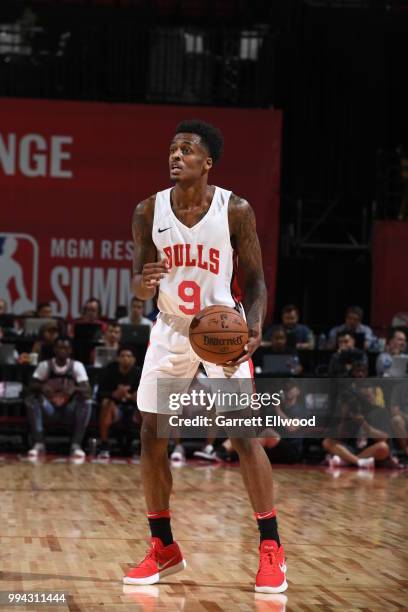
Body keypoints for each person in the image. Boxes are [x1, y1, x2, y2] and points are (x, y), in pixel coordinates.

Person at [123, 119, 287, 593]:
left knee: (243, 437)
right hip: (172, 329)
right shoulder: (146, 211)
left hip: (222, 332)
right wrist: (144, 282)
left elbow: (255, 279)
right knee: (151, 434)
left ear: (207, 162)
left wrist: (254, 324)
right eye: (172, 149)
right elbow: (137, 283)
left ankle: (271, 545)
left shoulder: (235, 209)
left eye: (187, 150)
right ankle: (163, 547)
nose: (176, 156)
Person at [25, 337, 92, 460]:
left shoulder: (76, 366)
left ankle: (76, 445)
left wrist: (74, 389)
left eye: (65, 348)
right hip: (49, 409)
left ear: (70, 350)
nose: (62, 350)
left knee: (86, 401)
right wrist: (42, 386)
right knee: (32, 400)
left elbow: (88, 391)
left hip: (69, 410)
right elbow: (30, 386)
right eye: (59, 347)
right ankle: (39, 443)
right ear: (54, 349)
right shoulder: (45, 365)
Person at [322, 381, 391, 469]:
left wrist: (364, 424)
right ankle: (358, 462)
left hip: (369, 449)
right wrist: (343, 417)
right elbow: (338, 437)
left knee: (383, 447)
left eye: (368, 397)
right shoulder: (351, 410)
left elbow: (384, 438)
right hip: (350, 448)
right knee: (327, 442)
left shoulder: (380, 412)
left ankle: (347, 460)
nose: (366, 401)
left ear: (375, 396)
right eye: (362, 398)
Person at [97, 346, 142, 459]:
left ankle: (144, 446)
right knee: (106, 403)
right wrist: (114, 394)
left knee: (146, 407)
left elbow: (149, 394)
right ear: (117, 358)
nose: (125, 358)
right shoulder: (109, 371)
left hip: (134, 409)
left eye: (128, 356)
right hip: (115, 408)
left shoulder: (140, 373)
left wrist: (132, 396)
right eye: (122, 356)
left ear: (133, 360)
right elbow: (99, 393)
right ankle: (104, 445)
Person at [260, 382, 306, 464]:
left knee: (268, 432)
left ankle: (247, 455)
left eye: (292, 388)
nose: (288, 390)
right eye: (286, 388)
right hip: (274, 447)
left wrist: (278, 409)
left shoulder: (301, 410)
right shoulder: (279, 408)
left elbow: (292, 427)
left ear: (298, 391)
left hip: (291, 450)